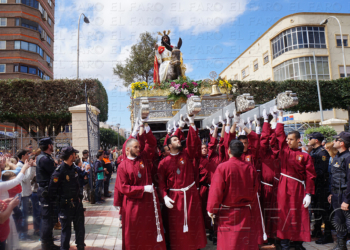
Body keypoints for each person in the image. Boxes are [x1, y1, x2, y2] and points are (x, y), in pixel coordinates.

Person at [157, 114, 207, 250]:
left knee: (193, 223)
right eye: (175, 140)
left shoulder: (186, 155)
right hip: (175, 198)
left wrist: (191, 124)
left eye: (178, 139)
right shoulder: (163, 163)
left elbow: (192, 144)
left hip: (190, 195)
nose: (178, 141)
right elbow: (161, 182)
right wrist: (165, 196)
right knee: (177, 226)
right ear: (168, 146)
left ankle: (196, 247)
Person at [116, 117, 166, 250]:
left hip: (148, 204)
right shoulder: (122, 166)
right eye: (136, 147)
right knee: (134, 234)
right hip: (132, 206)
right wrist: (143, 189)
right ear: (127, 150)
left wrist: (145, 125)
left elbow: (152, 143)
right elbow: (124, 188)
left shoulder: (143, 158)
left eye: (139, 146)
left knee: (149, 232)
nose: (139, 149)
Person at [275, 108, 316, 250]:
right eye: (287, 139)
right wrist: (279, 117)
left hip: (299, 188)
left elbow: (310, 176)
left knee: (299, 215)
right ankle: (285, 243)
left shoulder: (305, 156)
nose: (288, 141)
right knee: (284, 213)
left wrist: (308, 194)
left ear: (299, 140)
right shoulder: (284, 151)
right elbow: (279, 134)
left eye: (291, 139)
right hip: (284, 187)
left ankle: (299, 243)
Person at [207, 139, 259, 249]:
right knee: (243, 243)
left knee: (228, 244)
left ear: (228, 150)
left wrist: (211, 209)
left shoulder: (223, 167)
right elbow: (255, 189)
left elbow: (216, 191)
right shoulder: (250, 167)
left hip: (227, 213)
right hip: (244, 211)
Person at [49, 146, 85, 250]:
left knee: (80, 230)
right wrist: (59, 204)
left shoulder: (74, 168)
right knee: (66, 232)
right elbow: (52, 191)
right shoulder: (59, 172)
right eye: (74, 154)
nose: (76, 156)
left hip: (77, 204)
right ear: (70, 156)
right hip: (65, 206)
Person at [307, 132, 332, 244]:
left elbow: (321, 171)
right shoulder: (313, 151)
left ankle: (327, 235)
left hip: (321, 186)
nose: (309, 140)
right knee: (316, 210)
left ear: (316, 140)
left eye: (310, 138)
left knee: (323, 211)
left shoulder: (322, 153)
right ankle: (317, 231)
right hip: (314, 185)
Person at [0, 159, 30, 250]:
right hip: (5, 212)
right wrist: (24, 167)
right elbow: (17, 180)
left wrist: (4, 202)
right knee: (9, 234)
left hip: (5, 209)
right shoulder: (1, 185)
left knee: (11, 233)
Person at [36, 137, 60, 250]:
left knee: (50, 219)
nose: (52, 146)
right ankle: (46, 244)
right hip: (45, 191)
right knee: (47, 219)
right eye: (52, 144)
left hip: (49, 191)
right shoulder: (44, 159)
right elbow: (54, 172)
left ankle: (49, 242)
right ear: (49, 146)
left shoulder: (45, 157)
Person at [328, 132, 350, 250]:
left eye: (336, 139)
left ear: (342, 143)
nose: (334, 141)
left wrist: (347, 200)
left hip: (345, 194)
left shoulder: (348, 157)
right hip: (336, 194)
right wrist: (332, 193)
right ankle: (341, 245)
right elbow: (334, 176)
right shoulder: (337, 156)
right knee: (339, 220)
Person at [16, 149, 36, 241]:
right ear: (23, 156)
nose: (29, 156)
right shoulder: (19, 166)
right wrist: (30, 167)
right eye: (27, 154)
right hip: (23, 194)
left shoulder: (23, 165)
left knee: (26, 215)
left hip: (27, 193)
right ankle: (23, 235)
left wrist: (31, 167)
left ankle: (25, 234)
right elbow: (26, 179)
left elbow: (30, 178)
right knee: (24, 215)